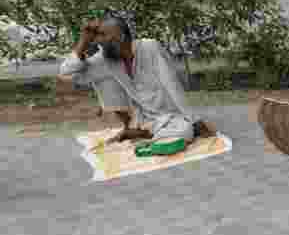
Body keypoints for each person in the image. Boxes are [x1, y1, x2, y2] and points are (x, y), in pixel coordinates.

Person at [58, 14, 215, 146]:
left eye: (103, 35)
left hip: (171, 114)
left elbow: (172, 85)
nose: (98, 41)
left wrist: (195, 120)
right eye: (97, 36)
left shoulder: (149, 47)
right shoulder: (107, 59)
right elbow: (68, 73)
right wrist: (83, 41)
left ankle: (142, 134)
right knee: (100, 78)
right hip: (144, 119)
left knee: (183, 131)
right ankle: (138, 131)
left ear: (121, 36)